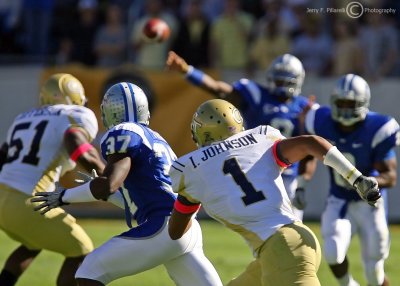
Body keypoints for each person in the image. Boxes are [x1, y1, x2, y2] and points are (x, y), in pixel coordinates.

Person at [167, 98, 381, 286]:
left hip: (281, 251)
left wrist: (186, 198)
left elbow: (175, 231)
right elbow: (310, 143)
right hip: (293, 242)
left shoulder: (190, 169)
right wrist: (356, 178)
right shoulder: (261, 138)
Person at [31, 82, 222, 286]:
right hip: (186, 225)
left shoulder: (123, 131)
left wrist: (63, 197)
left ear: (110, 111)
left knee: (89, 270)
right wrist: (98, 190)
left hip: (162, 226)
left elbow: (108, 185)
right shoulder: (156, 138)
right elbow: (133, 201)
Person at [166, 51, 313, 219]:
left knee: (292, 223)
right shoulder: (257, 95)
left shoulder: (305, 108)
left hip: (288, 176)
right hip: (258, 169)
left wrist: (302, 183)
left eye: (285, 81)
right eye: (278, 79)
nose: (280, 85)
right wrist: (188, 71)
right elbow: (218, 89)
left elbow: (308, 149)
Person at [0, 73, 105, 286]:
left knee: (32, 243)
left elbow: (2, 157)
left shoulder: (23, 118)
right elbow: (76, 144)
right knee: (83, 251)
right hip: (27, 199)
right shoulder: (73, 116)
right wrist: (106, 173)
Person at [296, 74, 398, 286]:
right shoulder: (321, 120)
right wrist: (302, 184)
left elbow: (391, 176)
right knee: (332, 252)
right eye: (340, 103)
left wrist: (373, 182)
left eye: (349, 104)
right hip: (339, 199)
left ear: (363, 103)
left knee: (374, 268)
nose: (344, 109)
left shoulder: (378, 128)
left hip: (370, 204)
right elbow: (307, 152)